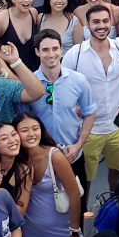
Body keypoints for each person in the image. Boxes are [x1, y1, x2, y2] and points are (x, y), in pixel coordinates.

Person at [30, 28, 97, 183]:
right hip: (41, 159)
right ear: (37, 52)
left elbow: (90, 113)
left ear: (61, 49)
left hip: (72, 155)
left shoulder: (78, 80)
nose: (51, 54)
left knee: (79, 201)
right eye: (45, 50)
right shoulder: (29, 84)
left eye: (55, 49)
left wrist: (78, 145)